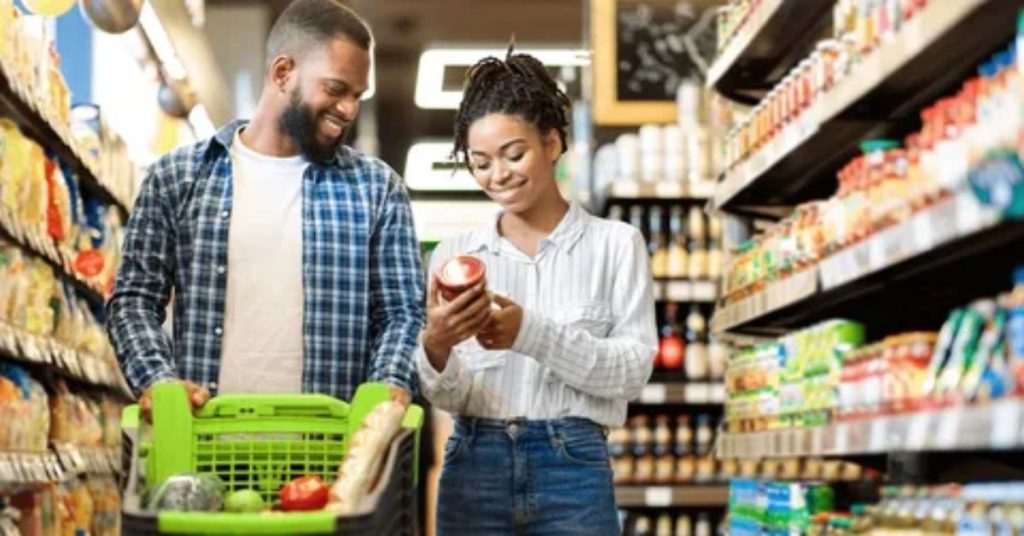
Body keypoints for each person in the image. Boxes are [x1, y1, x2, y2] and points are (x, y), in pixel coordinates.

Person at [108, 0, 424, 417]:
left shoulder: (376, 189)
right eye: (334, 89)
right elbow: (133, 300)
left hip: (331, 455)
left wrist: (388, 383)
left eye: (357, 95)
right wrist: (159, 382)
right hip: (205, 445)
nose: (348, 109)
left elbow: (403, 313)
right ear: (282, 73)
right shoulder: (177, 178)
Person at [417, 48, 658, 535]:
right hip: (473, 464)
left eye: (513, 154)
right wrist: (436, 346)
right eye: (480, 162)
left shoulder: (616, 245)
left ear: (551, 143)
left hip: (574, 467)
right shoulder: (453, 255)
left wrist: (530, 333)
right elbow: (450, 395)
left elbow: (632, 372)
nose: (497, 176)